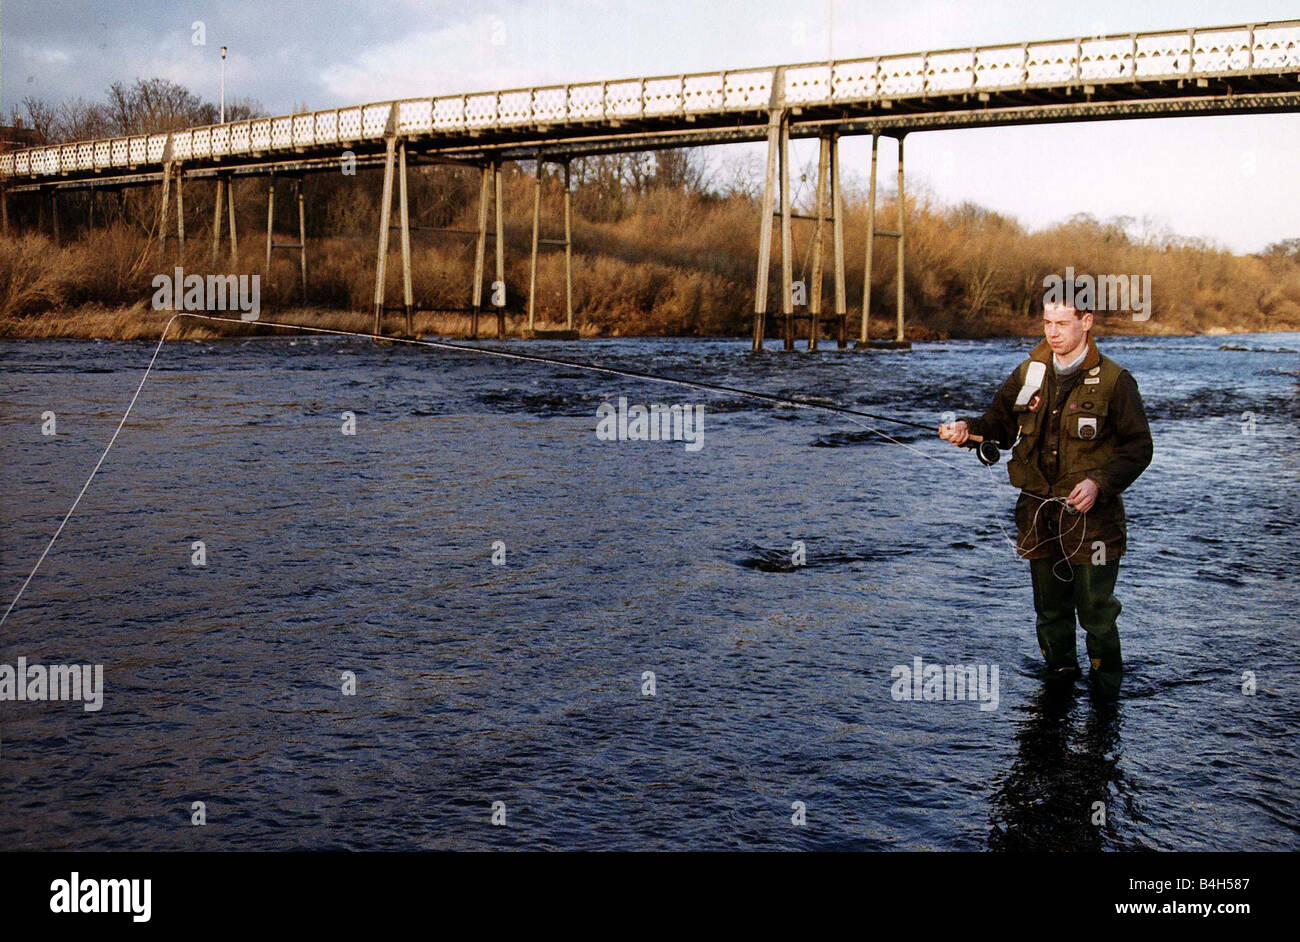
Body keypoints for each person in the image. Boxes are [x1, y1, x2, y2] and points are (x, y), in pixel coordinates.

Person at [938, 296, 1153, 696]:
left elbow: (1139, 448)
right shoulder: (1028, 373)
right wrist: (967, 430)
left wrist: (1098, 484)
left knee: (1096, 612)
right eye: (1046, 323)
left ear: (1086, 322)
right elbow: (998, 426)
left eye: (1062, 323)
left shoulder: (1115, 381)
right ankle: (1059, 682)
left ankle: (1107, 694)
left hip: (1093, 518)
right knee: (1050, 610)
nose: (1052, 333)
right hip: (1037, 512)